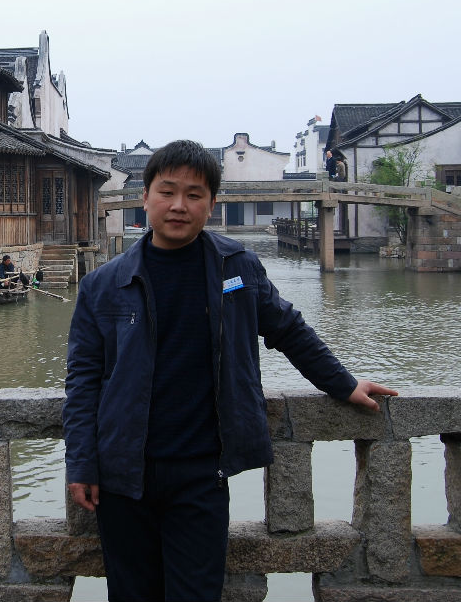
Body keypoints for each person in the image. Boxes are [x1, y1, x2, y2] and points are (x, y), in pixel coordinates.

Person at [63, 140, 396, 602]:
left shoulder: (236, 267)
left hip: (202, 471)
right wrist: (81, 462)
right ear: (145, 197)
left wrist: (342, 384)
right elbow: (83, 380)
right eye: (167, 192)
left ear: (212, 203)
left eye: (194, 194)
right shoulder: (104, 284)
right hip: (122, 474)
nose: (179, 205)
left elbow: (288, 329)